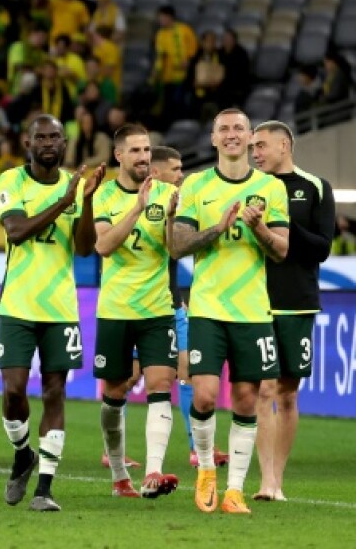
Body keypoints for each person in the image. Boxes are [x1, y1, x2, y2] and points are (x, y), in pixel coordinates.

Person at [170, 108, 289, 515]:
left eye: (240, 128)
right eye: (225, 129)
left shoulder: (271, 188)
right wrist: (219, 228)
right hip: (207, 308)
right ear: (214, 139)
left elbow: (282, 250)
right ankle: (206, 471)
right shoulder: (197, 185)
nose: (233, 134)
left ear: (250, 137)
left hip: (253, 312)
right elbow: (178, 244)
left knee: (245, 398)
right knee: (203, 396)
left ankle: (234, 490)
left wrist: (258, 228)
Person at [0, 115, 104, 512]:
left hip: (60, 309)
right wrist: (66, 200)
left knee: (55, 391)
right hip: (18, 306)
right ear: (28, 141)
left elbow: (86, 248)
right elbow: (16, 232)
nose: (47, 142)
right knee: (13, 391)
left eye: (54, 136)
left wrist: (88, 200)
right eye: (40, 136)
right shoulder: (12, 181)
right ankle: (23, 452)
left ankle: (44, 487)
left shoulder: (75, 188)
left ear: (64, 142)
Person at [91, 125, 182, 499]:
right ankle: (118, 477)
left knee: (161, 385)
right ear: (119, 156)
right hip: (115, 309)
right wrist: (138, 209)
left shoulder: (169, 193)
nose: (144, 157)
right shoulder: (105, 196)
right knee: (114, 393)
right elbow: (104, 245)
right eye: (136, 151)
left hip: (158, 308)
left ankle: (154, 472)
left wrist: (173, 219)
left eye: (147, 150)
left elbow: (174, 250)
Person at [250, 121, 334, 502]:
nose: (256, 153)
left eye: (262, 146)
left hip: (296, 301)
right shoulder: (250, 188)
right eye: (253, 147)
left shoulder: (314, 187)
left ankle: (276, 481)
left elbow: (321, 248)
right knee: (262, 388)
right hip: (253, 301)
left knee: (286, 393)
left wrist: (279, 227)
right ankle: (265, 479)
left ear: (284, 145)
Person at [150, 146, 225, 469]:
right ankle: (114, 450)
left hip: (173, 302)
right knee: (125, 380)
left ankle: (197, 448)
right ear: (156, 172)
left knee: (188, 372)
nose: (181, 174)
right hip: (140, 307)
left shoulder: (183, 204)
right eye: (175, 168)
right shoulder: (135, 204)